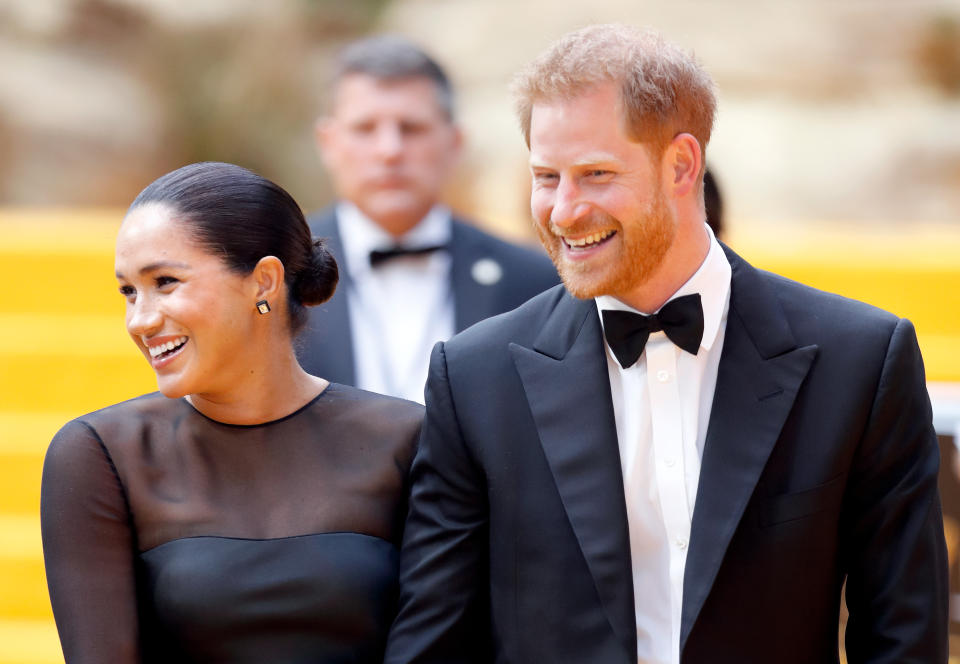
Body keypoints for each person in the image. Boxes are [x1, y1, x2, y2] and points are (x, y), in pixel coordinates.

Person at [385, 24, 948, 664]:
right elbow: (431, 645)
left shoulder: (863, 361)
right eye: (547, 176)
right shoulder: (473, 379)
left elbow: (904, 636)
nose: (563, 211)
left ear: (681, 165)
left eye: (595, 174)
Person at [40, 162, 423, 663]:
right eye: (129, 291)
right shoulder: (100, 456)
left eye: (166, 281)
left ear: (263, 282)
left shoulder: (407, 439)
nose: (140, 320)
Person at [300, 35, 559, 402]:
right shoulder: (278, 274)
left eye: (411, 128)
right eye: (365, 128)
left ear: (454, 143)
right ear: (328, 143)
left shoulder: (536, 280)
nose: (389, 151)